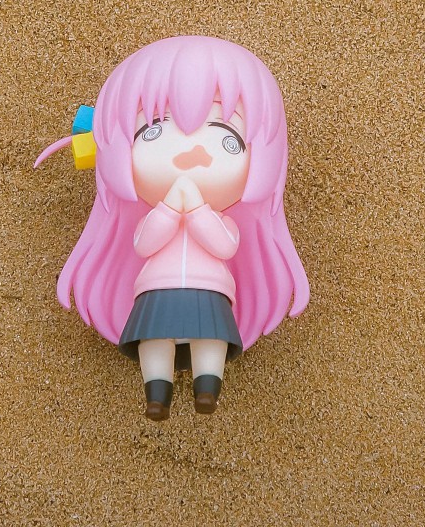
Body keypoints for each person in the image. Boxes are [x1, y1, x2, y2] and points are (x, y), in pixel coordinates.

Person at [36, 35, 310, 418]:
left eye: (228, 137)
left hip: (212, 288)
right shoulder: (151, 214)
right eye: (152, 131)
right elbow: (144, 244)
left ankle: (207, 386)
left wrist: (196, 210)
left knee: (210, 335)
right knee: (154, 336)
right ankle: (157, 392)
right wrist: (167, 209)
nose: (190, 151)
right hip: (154, 286)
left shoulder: (224, 219)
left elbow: (225, 246)